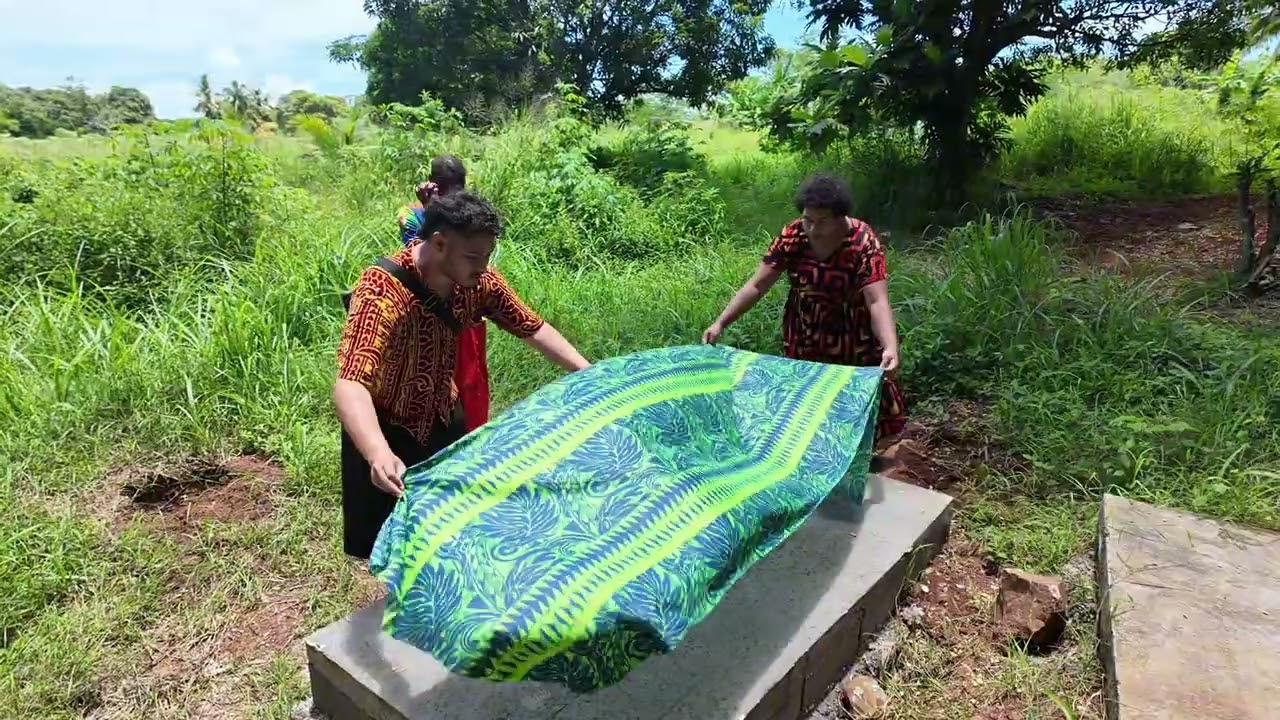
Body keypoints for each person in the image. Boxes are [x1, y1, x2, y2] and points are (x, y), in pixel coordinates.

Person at [335, 190, 591, 560]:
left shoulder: (478, 282)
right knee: (388, 547)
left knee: (450, 532)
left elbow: (531, 327)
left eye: (487, 256)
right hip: (385, 429)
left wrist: (588, 374)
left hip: (443, 419)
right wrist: (377, 453)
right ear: (439, 243)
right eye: (473, 257)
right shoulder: (381, 289)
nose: (483, 267)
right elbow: (351, 382)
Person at [702, 173, 906, 442]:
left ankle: (861, 456)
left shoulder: (863, 243)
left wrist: (890, 346)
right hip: (804, 333)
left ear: (840, 217)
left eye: (822, 222)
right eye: (808, 219)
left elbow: (876, 300)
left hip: (853, 336)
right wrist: (721, 322)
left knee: (855, 401)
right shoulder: (793, 235)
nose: (813, 228)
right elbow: (757, 286)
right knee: (806, 402)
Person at [396, 154, 490, 432]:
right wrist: (432, 211)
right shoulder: (411, 214)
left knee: (471, 384)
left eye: (458, 188)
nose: (454, 196)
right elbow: (419, 254)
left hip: (465, 311)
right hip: (428, 312)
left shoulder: (468, 212)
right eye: (446, 189)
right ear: (433, 185)